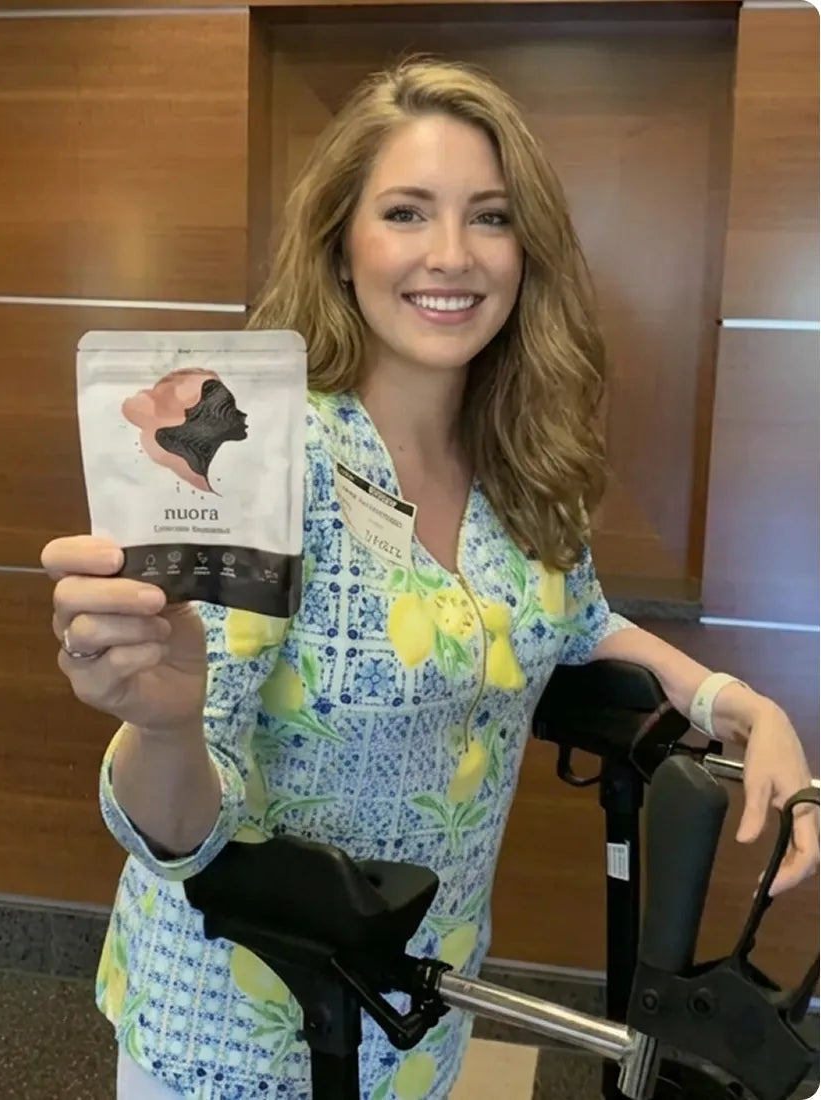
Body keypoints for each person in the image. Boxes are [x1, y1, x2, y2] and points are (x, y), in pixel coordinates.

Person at [40, 57, 818, 1100]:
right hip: (233, 1042)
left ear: (525, 250)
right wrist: (168, 725)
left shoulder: (522, 455)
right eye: (405, 211)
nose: (450, 253)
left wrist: (734, 702)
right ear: (341, 243)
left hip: (419, 1015)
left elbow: (576, 619)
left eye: (489, 217)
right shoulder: (266, 460)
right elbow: (180, 836)